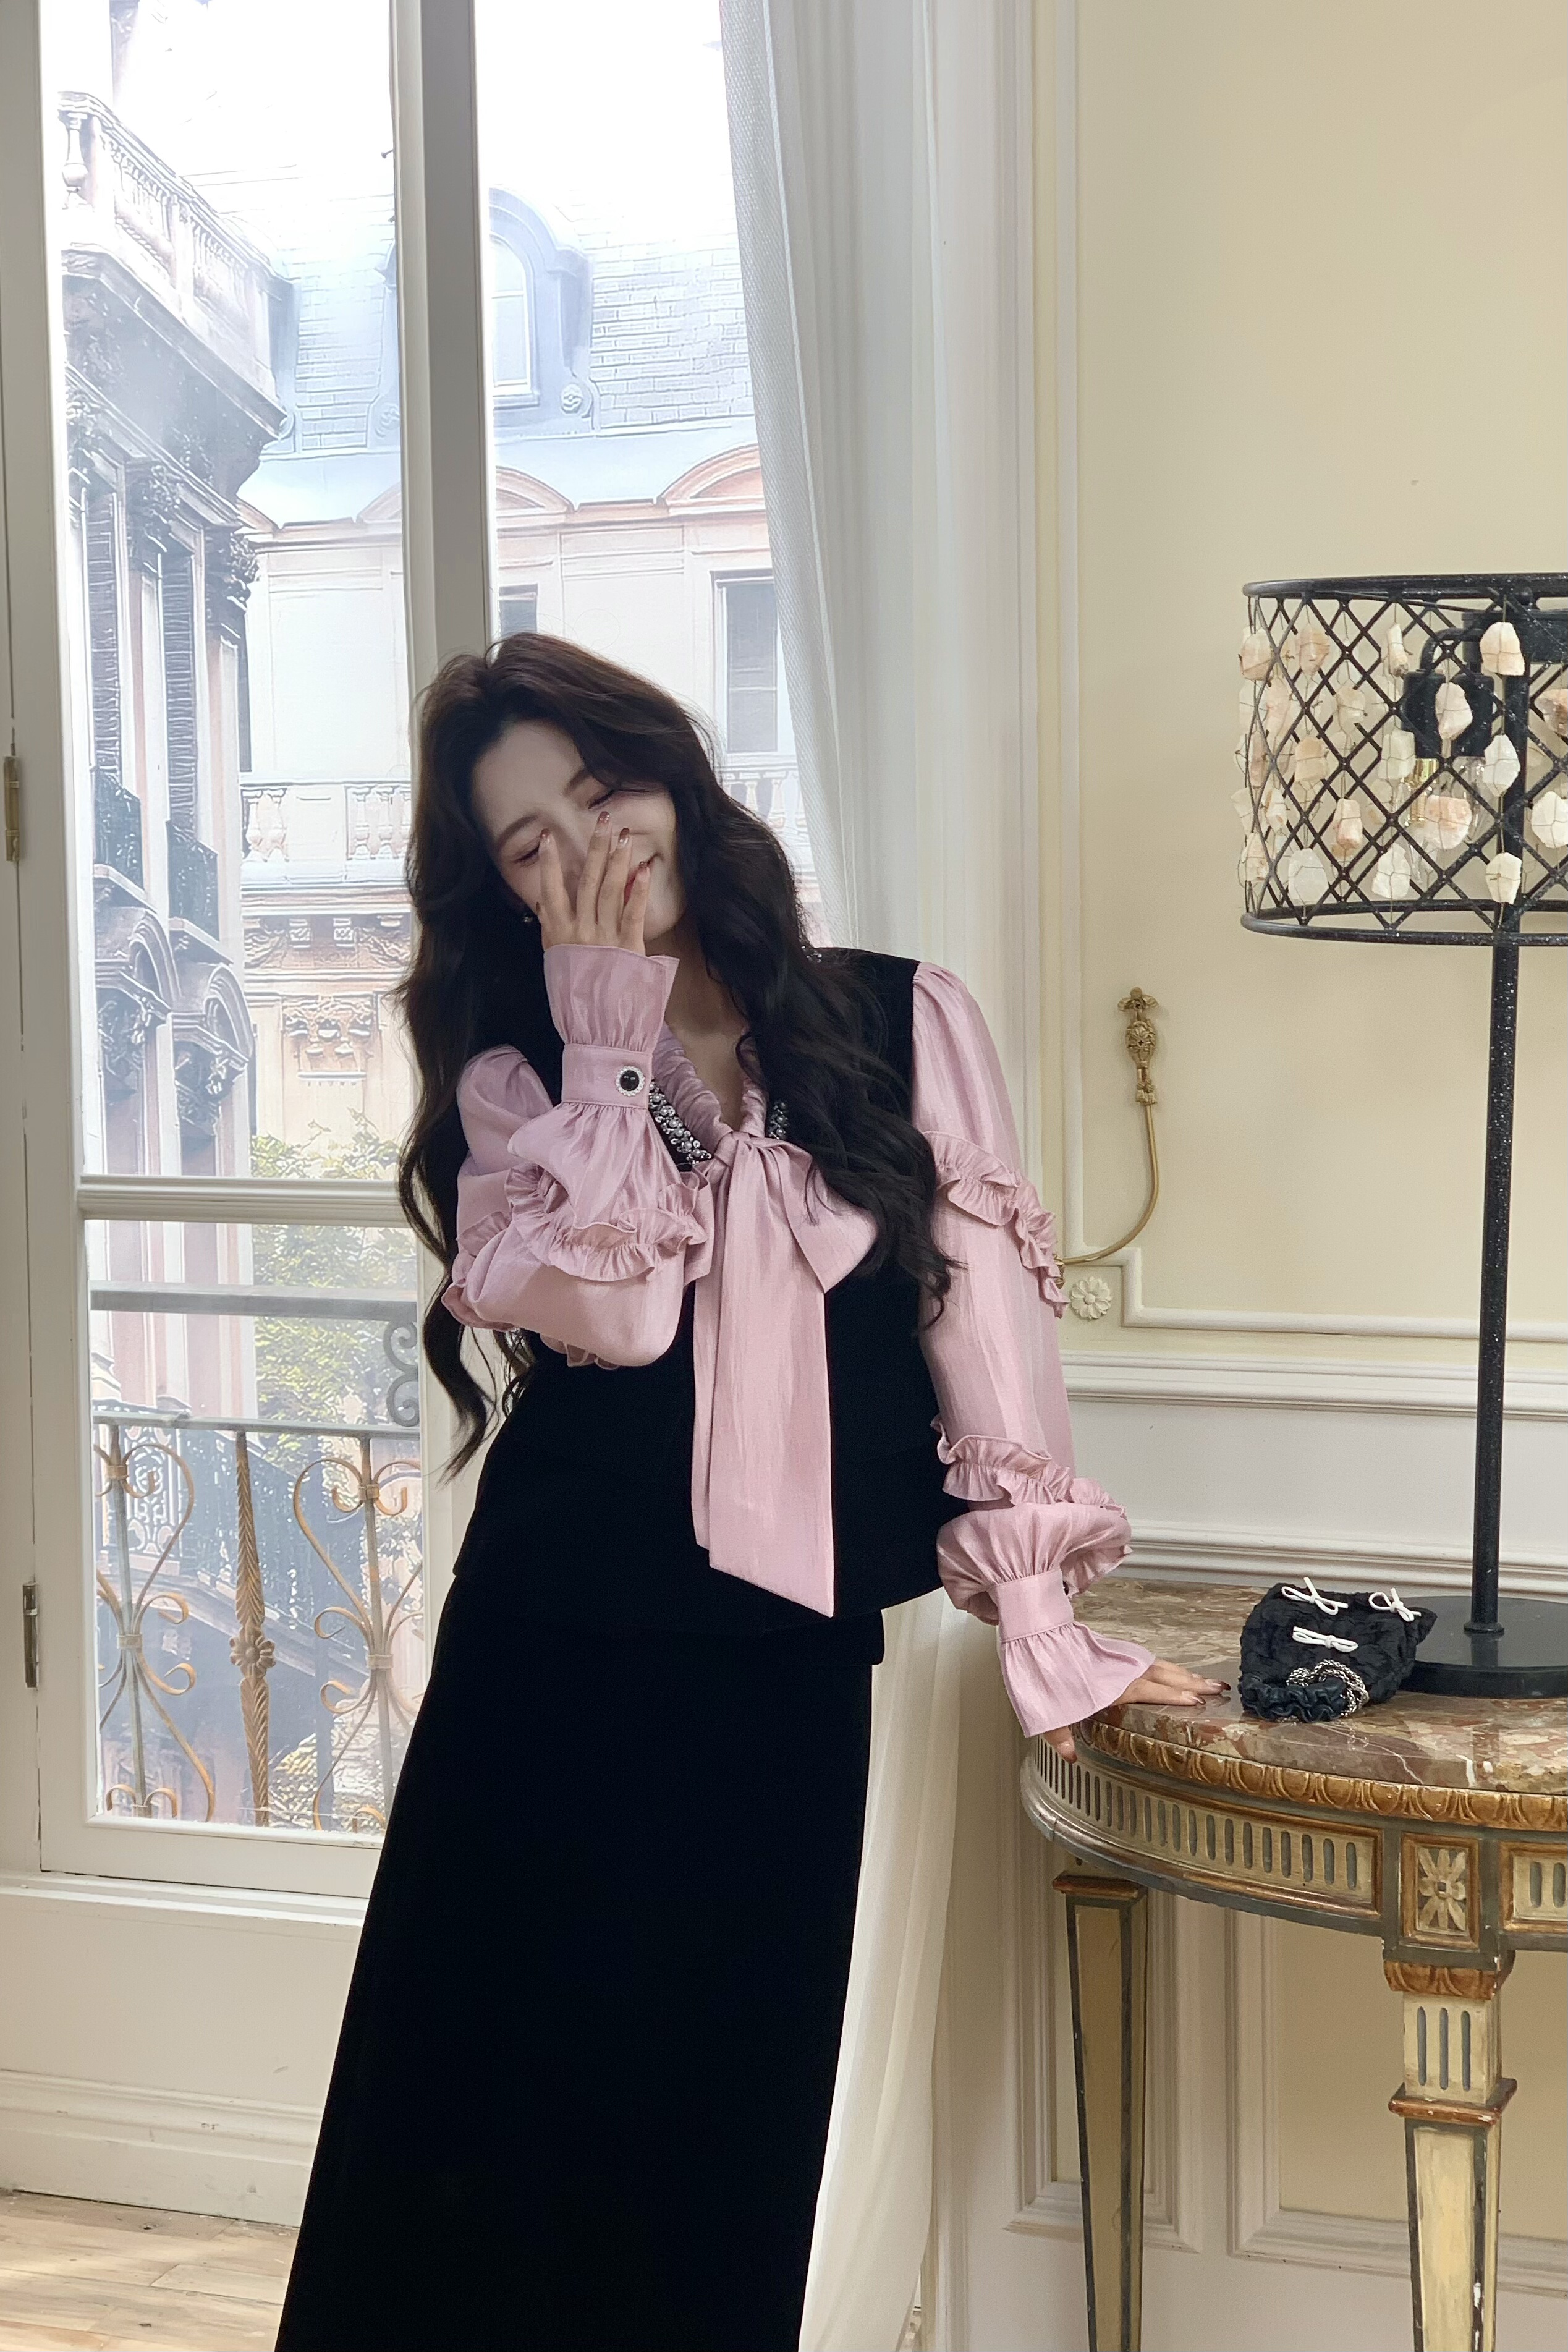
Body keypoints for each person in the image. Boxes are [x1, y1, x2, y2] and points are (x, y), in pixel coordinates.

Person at [274, 634, 1220, 2352]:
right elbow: (625, 1314)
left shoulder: (900, 1018)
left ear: (676, 778)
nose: (589, 852)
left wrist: (1047, 1630)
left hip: (780, 1666)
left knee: (723, 2136)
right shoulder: (516, 1086)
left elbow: (985, 1337)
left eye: (601, 794)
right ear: (503, 894)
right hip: (550, 1662)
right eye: (531, 844)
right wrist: (606, 1033)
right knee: (477, 2125)